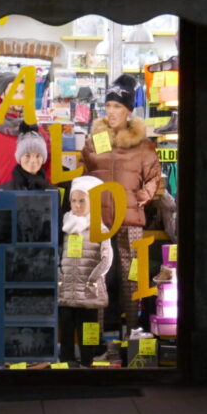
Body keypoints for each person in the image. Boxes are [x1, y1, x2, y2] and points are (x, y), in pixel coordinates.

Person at [80, 74, 161, 335]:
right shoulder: (94, 142)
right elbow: (84, 175)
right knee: (98, 275)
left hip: (130, 218)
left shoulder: (143, 146)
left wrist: (141, 198)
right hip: (100, 219)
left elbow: (154, 179)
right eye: (108, 106)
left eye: (117, 106)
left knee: (131, 276)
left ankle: (134, 332)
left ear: (128, 111)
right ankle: (98, 337)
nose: (111, 111)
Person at [57, 176, 113, 365]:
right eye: (73, 200)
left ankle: (87, 363)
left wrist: (92, 280)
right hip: (66, 290)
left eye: (82, 200)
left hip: (88, 292)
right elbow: (56, 254)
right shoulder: (65, 226)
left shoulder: (99, 228)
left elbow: (107, 259)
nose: (77, 205)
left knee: (87, 330)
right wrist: (59, 276)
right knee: (65, 329)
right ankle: (65, 363)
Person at [0, 125, 55, 191]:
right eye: (27, 156)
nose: (33, 160)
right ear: (19, 157)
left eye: (38, 156)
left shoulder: (51, 191)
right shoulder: (4, 190)